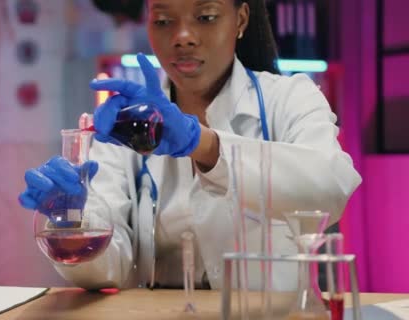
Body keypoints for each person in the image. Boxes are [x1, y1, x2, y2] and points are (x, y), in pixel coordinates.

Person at [19, 0, 361, 290]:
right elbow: (113, 263)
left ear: (240, 19)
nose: (182, 37)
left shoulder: (288, 98)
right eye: (164, 21)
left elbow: (331, 187)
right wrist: (72, 224)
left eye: (205, 17)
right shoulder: (129, 126)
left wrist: (205, 146)